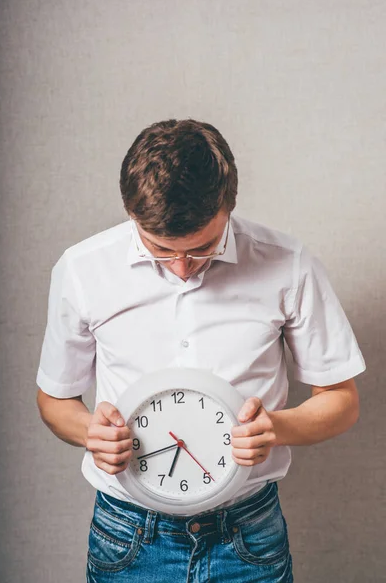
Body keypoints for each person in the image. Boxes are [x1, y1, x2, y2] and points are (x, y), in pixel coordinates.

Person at [36, 119, 365, 582]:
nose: (183, 268)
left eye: (203, 248)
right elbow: (54, 399)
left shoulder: (290, 265)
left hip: (247, 535)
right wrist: (90, 432)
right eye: (160, 250)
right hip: (128, 538)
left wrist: (276, 427)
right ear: (131, 213)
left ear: (228, 206)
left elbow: (342, 401)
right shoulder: (82, 269)